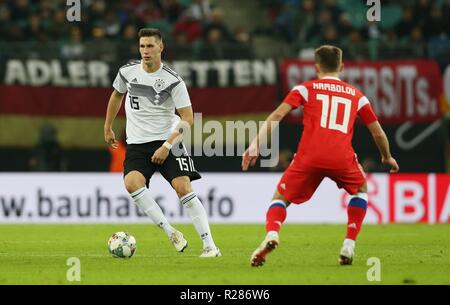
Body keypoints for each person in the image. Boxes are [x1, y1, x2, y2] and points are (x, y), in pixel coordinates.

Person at [242, 45, 399, 267]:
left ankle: (272, 234)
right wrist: (387, 157)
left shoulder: (304, 89)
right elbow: (378, 133)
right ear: (342, 67)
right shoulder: (358, 96)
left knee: (280, 198)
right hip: (342, 158)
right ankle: (349, 243)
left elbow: (277, 115)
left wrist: (255, 145)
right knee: (361, 191)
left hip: (309, 156)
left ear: (316, 67)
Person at [104, 28, 221, 258]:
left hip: (169, 140)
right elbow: (116, 95)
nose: (145, 51)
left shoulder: (173, 80)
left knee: (183, 188)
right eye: (142, 46)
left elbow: (188, 118)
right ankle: (171, 232)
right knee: (131, 183)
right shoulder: (127, 72)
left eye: (150, 46)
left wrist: (166, 146)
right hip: (138, 143)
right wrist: (107, 126)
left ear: (161, 47)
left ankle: (210, 246)